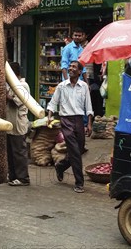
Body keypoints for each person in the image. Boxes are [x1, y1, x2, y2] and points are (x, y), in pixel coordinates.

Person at [46, 61, 94, 193]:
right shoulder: (61, 86)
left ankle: (61, 166)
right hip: (66, 120)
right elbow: (53, 102)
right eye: (70, 66)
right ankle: (79, 183)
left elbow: (88, 106)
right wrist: (49, 116)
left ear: (79, 72)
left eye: (74, 67)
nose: (70, 69)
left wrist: (89, 123)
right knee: (74, 150)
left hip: (79, 120)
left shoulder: (84, 86)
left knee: (79, 149)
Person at [6, 62, 31, 187]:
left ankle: (23, 178)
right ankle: (12, 175)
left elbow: (18, 101)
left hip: (18, 123)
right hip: (10, 123)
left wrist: (6, 96)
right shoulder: (11, 85)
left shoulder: (23, 85)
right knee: (10, 152)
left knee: (19, 152)